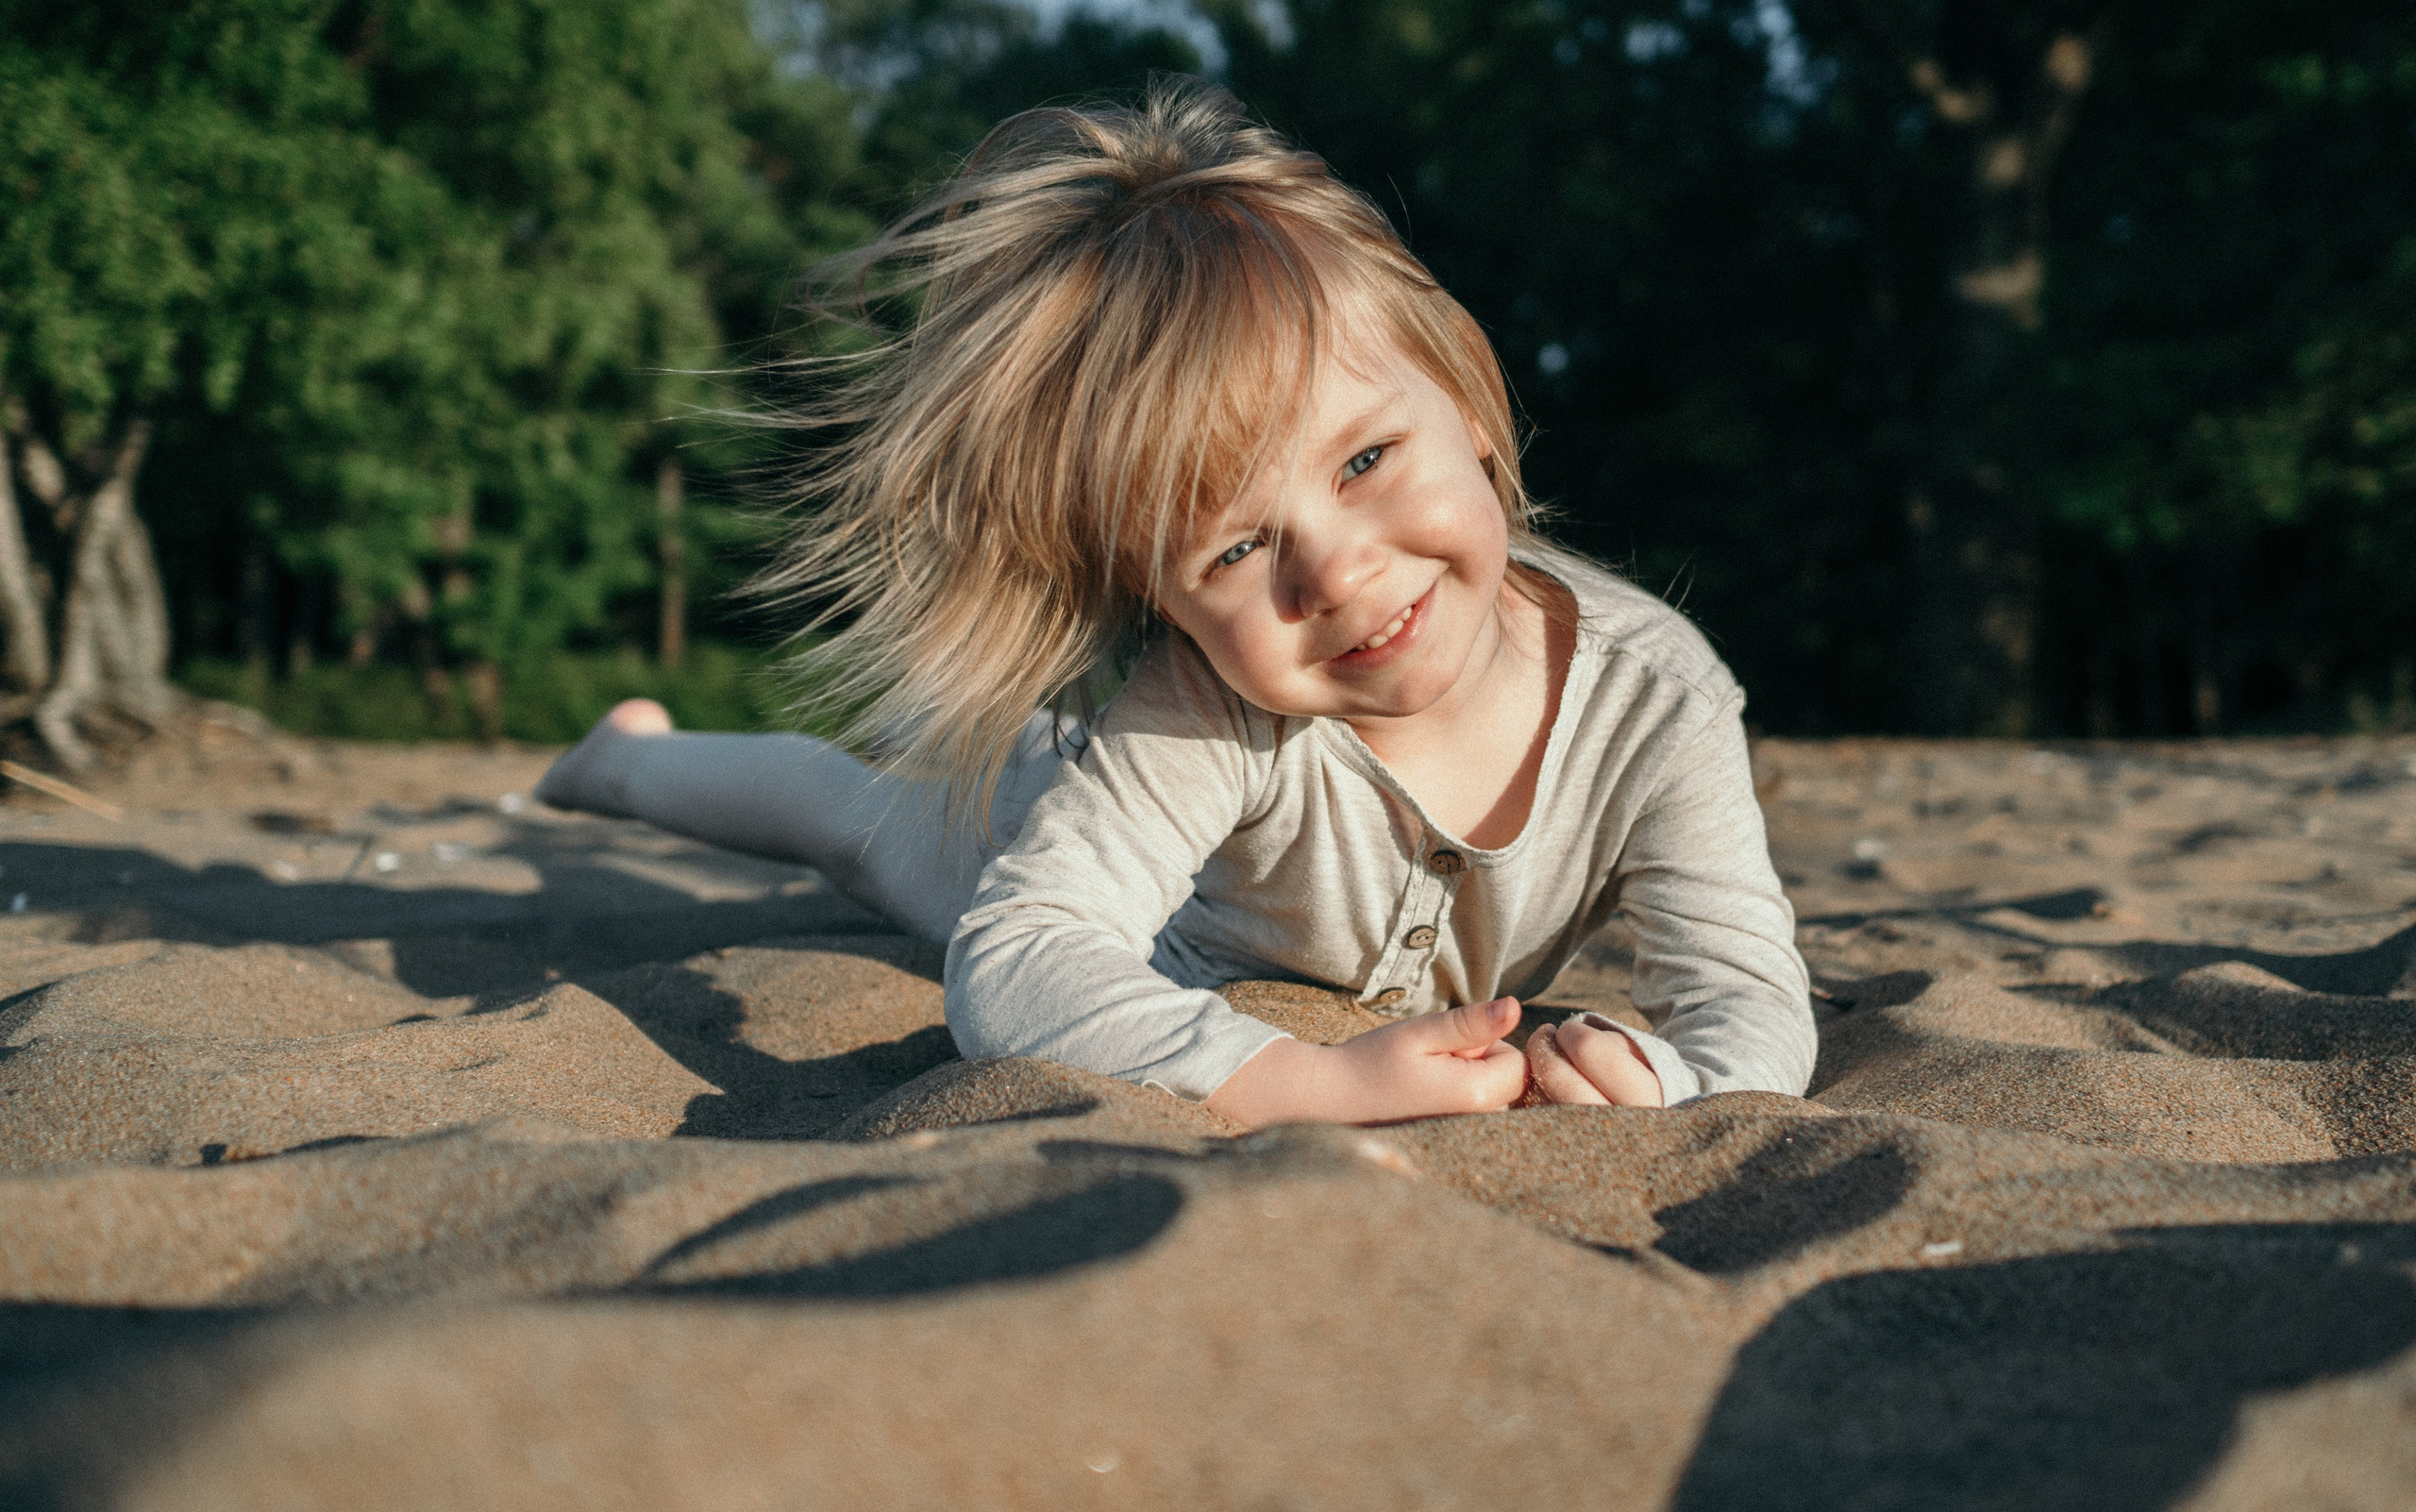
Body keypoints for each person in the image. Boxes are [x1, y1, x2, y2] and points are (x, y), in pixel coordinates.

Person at [537, 79, 1816, 1129]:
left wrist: (1679, 1080)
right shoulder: (1207, 706)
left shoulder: (1654, 698)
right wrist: (1304, 1079)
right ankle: (623, 762)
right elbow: (1018, 960)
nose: (1336, 573)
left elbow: (1752, 1001)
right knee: (863, 823)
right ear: (1160, 602)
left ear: (1470, 407)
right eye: (1234, 553)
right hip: (1061, 824)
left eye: (1367, 461)